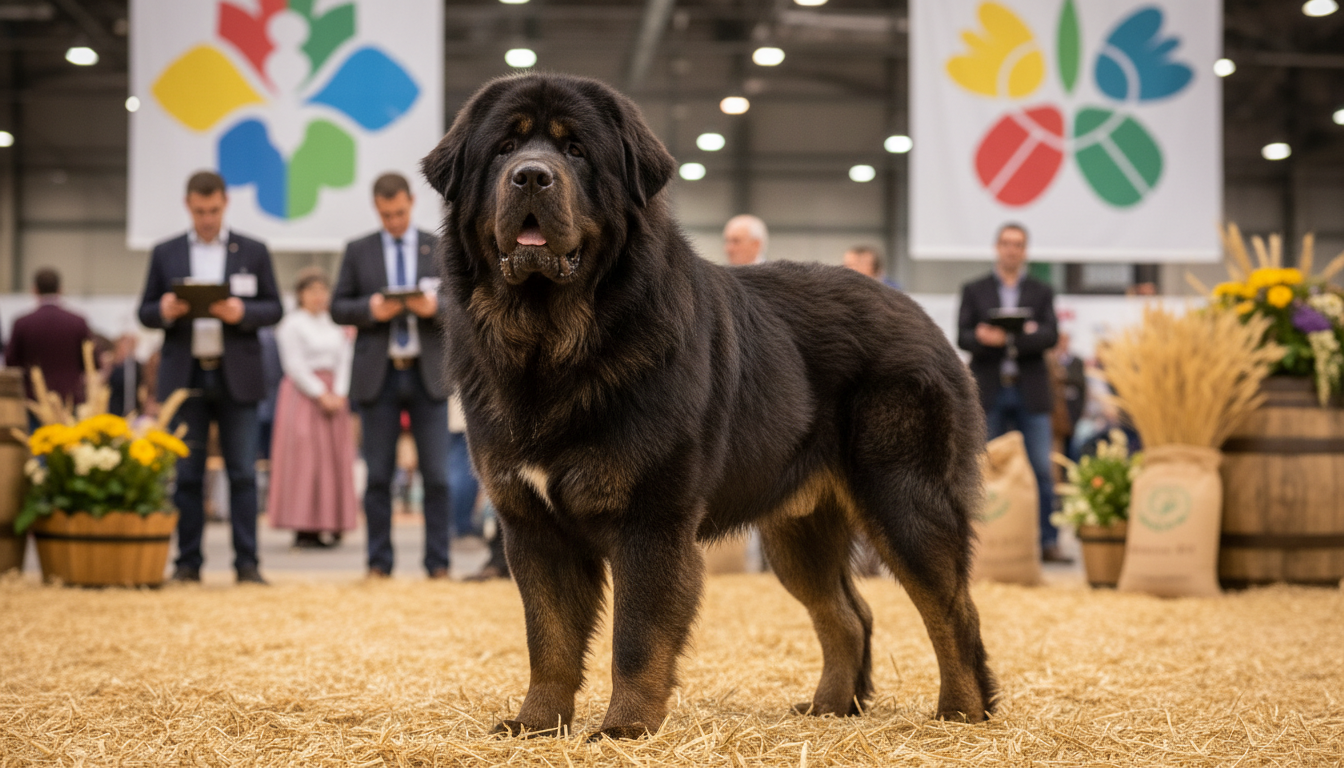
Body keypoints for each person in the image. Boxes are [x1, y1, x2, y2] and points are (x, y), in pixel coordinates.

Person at [138, 170, 283, 585]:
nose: (207, 218)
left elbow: (274, 307)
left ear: (225, 204)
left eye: (214, 210)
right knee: (187, 475)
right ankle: (187, 564)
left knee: (241, 472)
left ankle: (247, 565)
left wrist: (243, 313)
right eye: (200, 211)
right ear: (188, 206)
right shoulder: (165, 253)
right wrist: (163, 310)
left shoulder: (253, 251)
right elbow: (143, 311)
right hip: (184, 378)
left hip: (237, 374)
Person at [331, 172, 451, 579]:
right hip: (377, 376)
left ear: (411, 203)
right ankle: (378, 564)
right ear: (376, 209)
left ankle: (438, 564)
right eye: (386, 215)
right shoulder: (357, 250)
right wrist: (371, 309)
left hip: (428, 375)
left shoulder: (438, 247)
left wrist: (433, 307)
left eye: (399, 213)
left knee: (436, 476)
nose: (394, 221)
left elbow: (464, 303)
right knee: (377, 476)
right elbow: (338, 307)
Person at [957, 222, 1068, 563]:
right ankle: (977, 543)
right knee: (980, 467)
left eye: (1018, 244)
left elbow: (1050, 335)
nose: (1011, 249)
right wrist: (983, 338)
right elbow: (962, 336)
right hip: (988, 390)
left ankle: (1047, 542)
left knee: (1040, 468)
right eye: (1006, 243)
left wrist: (1008, 338)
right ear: (997, 248)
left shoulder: (1041, 291)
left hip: (1030, 391)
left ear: (1025, 251)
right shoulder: (974, 289)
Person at [268, 267, 359, 549]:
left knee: (334, 460)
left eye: (323, 290)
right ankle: (304, 525)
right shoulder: (292, 324)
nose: (319, 297)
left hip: (334, 395)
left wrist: (340, 393)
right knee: (305, 461)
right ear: (300, 295)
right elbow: (293, 365)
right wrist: (320, 393)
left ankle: (333, 521)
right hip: (304, 397)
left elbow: (345, 357)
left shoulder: (335, 324)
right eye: (312, 291)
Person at [5, 268, 92, 423]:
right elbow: (91, 362)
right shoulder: (78, 322)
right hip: (70, 400)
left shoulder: (22, 323)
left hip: (33, 401)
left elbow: (11, 362)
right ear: (60, 290)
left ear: (34, 290)